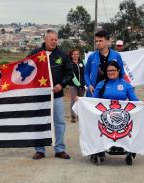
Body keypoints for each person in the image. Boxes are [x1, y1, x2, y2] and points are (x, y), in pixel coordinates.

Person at [29, 30, 74, 160]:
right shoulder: (35, 54)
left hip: (57, 96)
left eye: (56, 39)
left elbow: (69, 73)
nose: (54, 42)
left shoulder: (63, 55)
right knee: (39, 122)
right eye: (51, 40)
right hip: (39, 97)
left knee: (59, 122)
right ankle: (40, 150)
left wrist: (61, 85)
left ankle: (59, 149)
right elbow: (26, 68)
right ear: (45, 40)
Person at [92, 61, 139, 165]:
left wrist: (142, 104)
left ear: (118, 71)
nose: (110, 72)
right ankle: (98, 150)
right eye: (108, 70)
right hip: (104, 116)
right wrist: (81, 101)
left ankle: (129, 149)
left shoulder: (126, 85)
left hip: (121, 117)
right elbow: (92, 101)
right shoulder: (101, 84)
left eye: (113, 70)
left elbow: (135, 100)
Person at [84, 30, 125, 97]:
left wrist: (118, 86)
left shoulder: (116, 55)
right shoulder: (92, 56)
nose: (98, 43)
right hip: (94, 91)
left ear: (108, 41)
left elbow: (122, 72)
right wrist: (89, 85)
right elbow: (86, 73)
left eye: (100, 41)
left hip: (111, 91)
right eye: (96, 41)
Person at [68, 49, 85, 123]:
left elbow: (85, 72)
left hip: (82, 85)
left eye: (77, 54)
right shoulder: (69, 64)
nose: (76, 56)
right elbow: (72, 75)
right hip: (73, 85)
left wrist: (84, 84)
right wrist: (78, 84)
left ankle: (79, 116)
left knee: (80, 100)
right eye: (74, 54)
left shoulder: (82, 62)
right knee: (74, 100)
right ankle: (73, 116)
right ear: (71, 55)